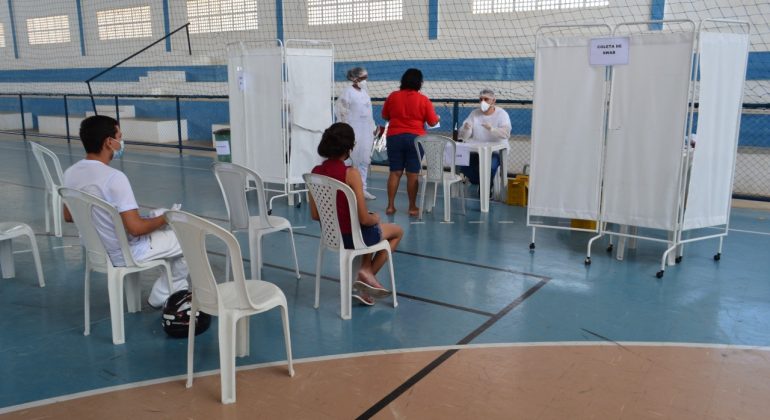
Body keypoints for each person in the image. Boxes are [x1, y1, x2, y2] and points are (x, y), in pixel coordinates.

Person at [62, 115, 188, 308]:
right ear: (108, 142)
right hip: (124, 253)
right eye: (119, 137)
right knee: (185, 239)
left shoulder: (70, 173)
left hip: (97, 251)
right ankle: (163, 294)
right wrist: (166, 218)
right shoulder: (114, 178)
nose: (121, 142)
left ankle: (167, 291)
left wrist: (110, 218)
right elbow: (136, 229)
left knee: (156, 221)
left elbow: (69, 216)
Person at [309, 123, 404, 305]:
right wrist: (375, 217)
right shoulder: (351, 174)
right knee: (396, 231)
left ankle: (365, 275)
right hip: (353, 238)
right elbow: (364, 219)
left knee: (370, 227)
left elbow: (315, 215)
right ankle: (366, 277)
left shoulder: (315, 173)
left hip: (332, 237)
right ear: (349, 148)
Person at [381, 68, 440, 217]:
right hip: (416, 138)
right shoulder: (424, 99)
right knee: (412, 174)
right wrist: (437, 118)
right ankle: (412, 207)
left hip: (394, 137)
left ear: (403, 80)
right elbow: (432, 122)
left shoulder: (393, 96)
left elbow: (385, 116)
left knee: (395, 172)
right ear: (419, 83)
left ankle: (390, 206)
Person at [335, 66, 377, 200]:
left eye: (366, 78)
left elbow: (369, 112)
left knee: (364, 159)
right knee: (350, 159)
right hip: (353, 130)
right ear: (354, 78)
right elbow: (341, 111)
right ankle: (347, 189)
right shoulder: (347, 92)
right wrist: (345, 129)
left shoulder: (365, 93)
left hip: (366, 131)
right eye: (363, 78)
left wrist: (373, 126)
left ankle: (362, 189)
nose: (365, 80)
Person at [457, 88, 511, 189]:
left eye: (486, 99)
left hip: (495, 152)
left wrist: (492, 129)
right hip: (476, 151)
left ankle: (485, 189)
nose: (483, 102)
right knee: (463, 165)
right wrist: (466, 129)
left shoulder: (502, 114)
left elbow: (506, 134)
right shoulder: (474, 114)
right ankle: (482, 184)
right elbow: (463, 136)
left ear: (493, 101)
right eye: (480, 99)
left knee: (489, 168)